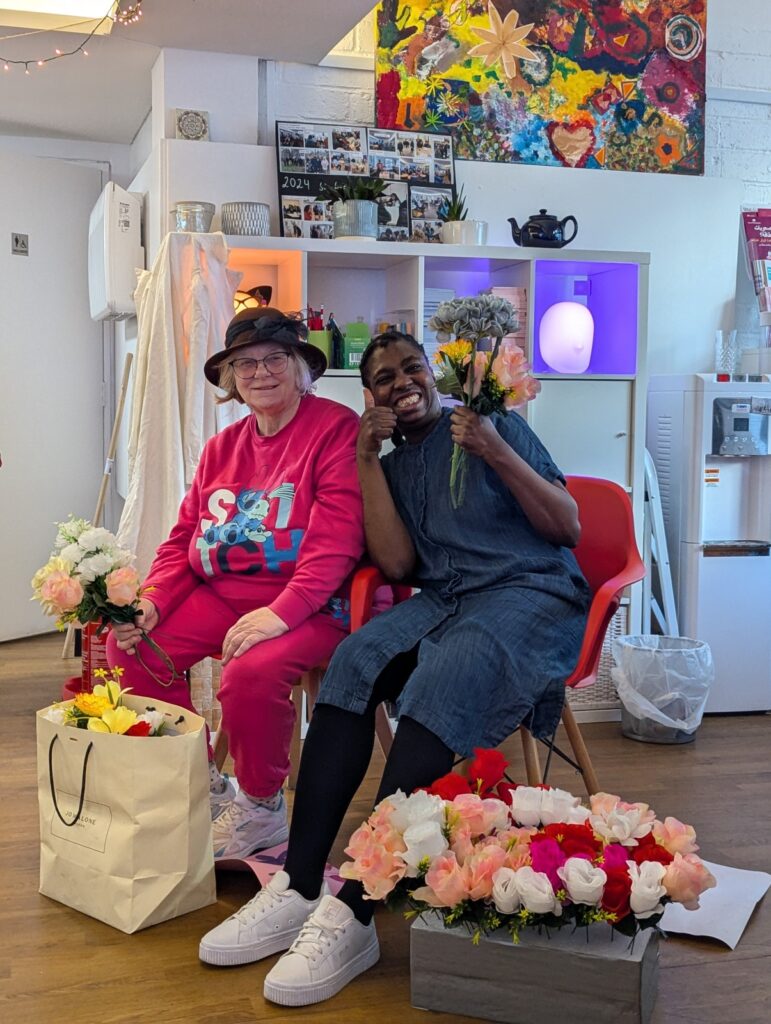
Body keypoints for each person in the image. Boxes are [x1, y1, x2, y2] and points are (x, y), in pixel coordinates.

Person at [199, 330, 590, 1004]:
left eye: (412, 369)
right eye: (382, 377)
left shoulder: (494, 424)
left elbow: (567, 528)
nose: (400, 382)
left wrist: (491, 448)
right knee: (352, 661)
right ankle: (297, 885)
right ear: (368, 395)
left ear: (434, 376)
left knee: (444, 682)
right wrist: (365, 457)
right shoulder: (391, 460)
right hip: (445, 598)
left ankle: (354, 905)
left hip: (529, 593)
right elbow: (401, 566)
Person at [107, 307, 364, 859]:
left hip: (311, 604)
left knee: (251, 670)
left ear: (302, 370)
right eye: (244, 363)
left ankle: (262, 807)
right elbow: (182, 542)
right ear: (230, 379)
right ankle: (200, 780)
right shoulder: (222, 448)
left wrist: (281, 612)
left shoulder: (336, 429)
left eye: (276, 358)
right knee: (129, 646)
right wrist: (152, 601)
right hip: (221, 594)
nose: (260, 372)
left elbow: (337, 542)